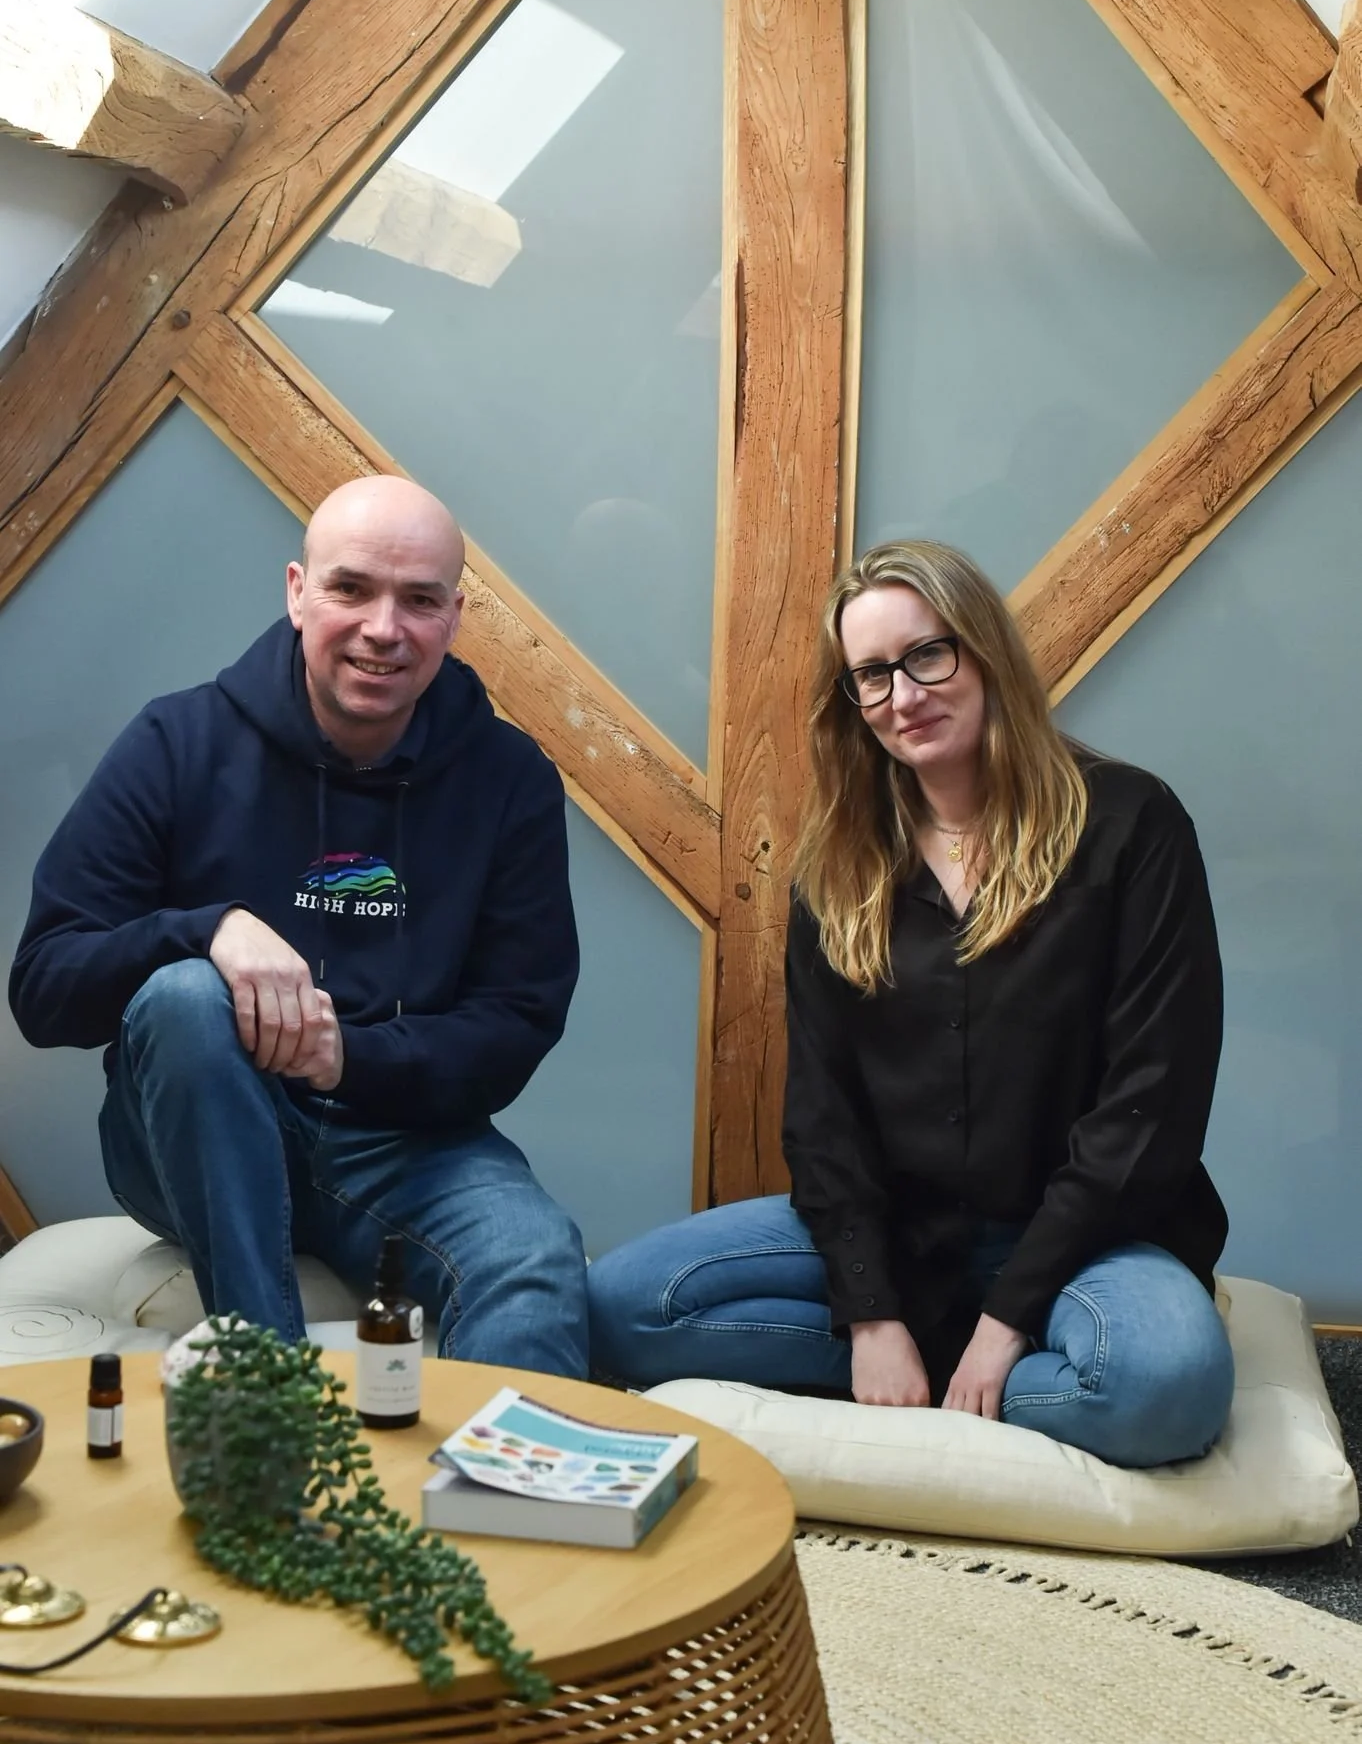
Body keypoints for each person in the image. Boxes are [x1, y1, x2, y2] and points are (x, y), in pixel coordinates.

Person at [588, 540, 1235, 1467]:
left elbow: (1152, 1106)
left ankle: (989, 1365)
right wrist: (869, 1314)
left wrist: (1007, 1319)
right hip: (899, 1235)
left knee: (1168, 1387)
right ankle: (927, 1367)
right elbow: (823, 1118)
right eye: (872, 675)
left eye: (929, 655)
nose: (904, 694)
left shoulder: (1132, 824)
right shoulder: (840, 867)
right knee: (617, 1308)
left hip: (1090, 1242)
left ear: (985, 651)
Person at [10, 475, 588, 1376]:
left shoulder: (508, 779)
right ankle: (269, 1389)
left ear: (455, 616)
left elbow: (518, 1020)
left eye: (420, 600)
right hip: (190, 1134)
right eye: (350, 587)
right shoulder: (177, 743)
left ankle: (497, 1513)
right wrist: (204, 930)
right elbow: (45, 988)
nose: (383, 629)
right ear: (296, 591)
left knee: (537, 1259)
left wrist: (343, 1058)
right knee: (186, 995)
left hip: (404, 1140)